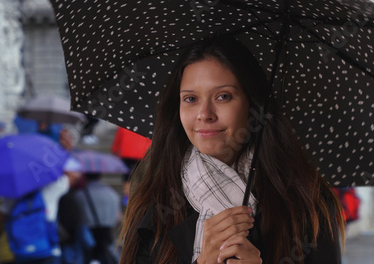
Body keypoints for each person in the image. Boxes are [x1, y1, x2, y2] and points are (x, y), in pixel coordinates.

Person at [119, 37, 345, 264]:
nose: (204, 113)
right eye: (190, 99)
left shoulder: (305, 201)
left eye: (223, 96)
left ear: (252, 105)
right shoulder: (157, 201)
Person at [75, 172, 122, 264]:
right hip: (108, 239)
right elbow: (118, 217)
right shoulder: (112, 194)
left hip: (87, 239)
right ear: (101, 175)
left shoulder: (79, 195)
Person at [111, 127, 152, 207]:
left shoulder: (123, 126)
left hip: (126, 153)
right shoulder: (145, 127)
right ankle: (139, 196)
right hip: (141, 154)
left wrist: (115, 150)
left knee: (127, 177)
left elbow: (118, 139)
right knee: (140, 176)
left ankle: (127, 197)